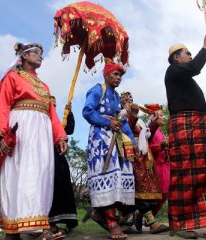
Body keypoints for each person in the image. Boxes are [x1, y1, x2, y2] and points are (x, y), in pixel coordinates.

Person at [0, 42, 67, 240]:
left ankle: (35, 223)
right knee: (21, 171)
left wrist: (60, 135)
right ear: (24, 55)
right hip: (22, 127)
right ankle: (22, 227)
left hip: (42, 130)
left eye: (42, 53)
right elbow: (3, 107)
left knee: (41, 172)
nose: (41, 56)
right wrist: (1, 134)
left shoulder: (44, 86)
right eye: (37, 52)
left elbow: (52, 113)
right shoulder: (12, 77)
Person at [164, 34, 206, 238]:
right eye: (188, 53)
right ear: (177, 57)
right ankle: (178, 225)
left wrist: (204, 107)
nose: (191, 56)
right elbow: (195, 69)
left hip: (198, 123)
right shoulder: (174, 70)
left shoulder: (182, 76)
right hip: (185, 125)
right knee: (186, 174)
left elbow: (186, 97)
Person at [82, 58, 136, 240]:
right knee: (105, 175)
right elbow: (87, 112)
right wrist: (108, 122)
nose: (118, 77)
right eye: (115, 74)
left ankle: (100, 212)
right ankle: (111, 222)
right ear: (106, 75)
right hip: (100, 139)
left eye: (120, 75)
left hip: (116, 138)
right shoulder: (97, 89)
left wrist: (132, 142)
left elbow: (123, 121)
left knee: (119, 177)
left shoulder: (116, 96)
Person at [120, 93, 169, 235]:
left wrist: (153, 123)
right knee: (138, 189)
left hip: (143, 158)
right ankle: (150, 222)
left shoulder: (140, 121)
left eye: (131, 100)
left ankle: (142, 221)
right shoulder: (121, 117)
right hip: (130, 156)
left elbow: (148, 136)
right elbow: (127, 128)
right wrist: (133, 114)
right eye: (126, 101)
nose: (129, 103)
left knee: (145, 189)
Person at [49, 97, 78, 234]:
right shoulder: (38, 121)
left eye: (55, 105)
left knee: (63, 187)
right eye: (51, 105)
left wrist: (69, 114)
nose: (52, 108)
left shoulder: (59, 123)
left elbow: (69, 130)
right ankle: (48, 224)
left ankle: (67, 221)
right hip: (45, 160)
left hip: (59, 160)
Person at [144, 104, 170, 216]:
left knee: (165, 194)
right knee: (158, 194)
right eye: (161, 115)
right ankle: (148, 217)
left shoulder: (161, 131)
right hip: (156, 166)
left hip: (165, 166)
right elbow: (147, 147)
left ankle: (150, 217)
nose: (164, 117)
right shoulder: (149, 130)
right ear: (154, 117)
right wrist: (161, 145)